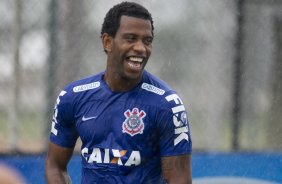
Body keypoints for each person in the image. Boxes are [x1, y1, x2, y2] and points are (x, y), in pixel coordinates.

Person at [45, 2, 192, 184]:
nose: (141, 48)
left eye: (147, 41)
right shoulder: (72, 97)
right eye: (131, 38)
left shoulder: (167, 104)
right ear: (107, 42)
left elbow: (179, 179)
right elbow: (55, 166)